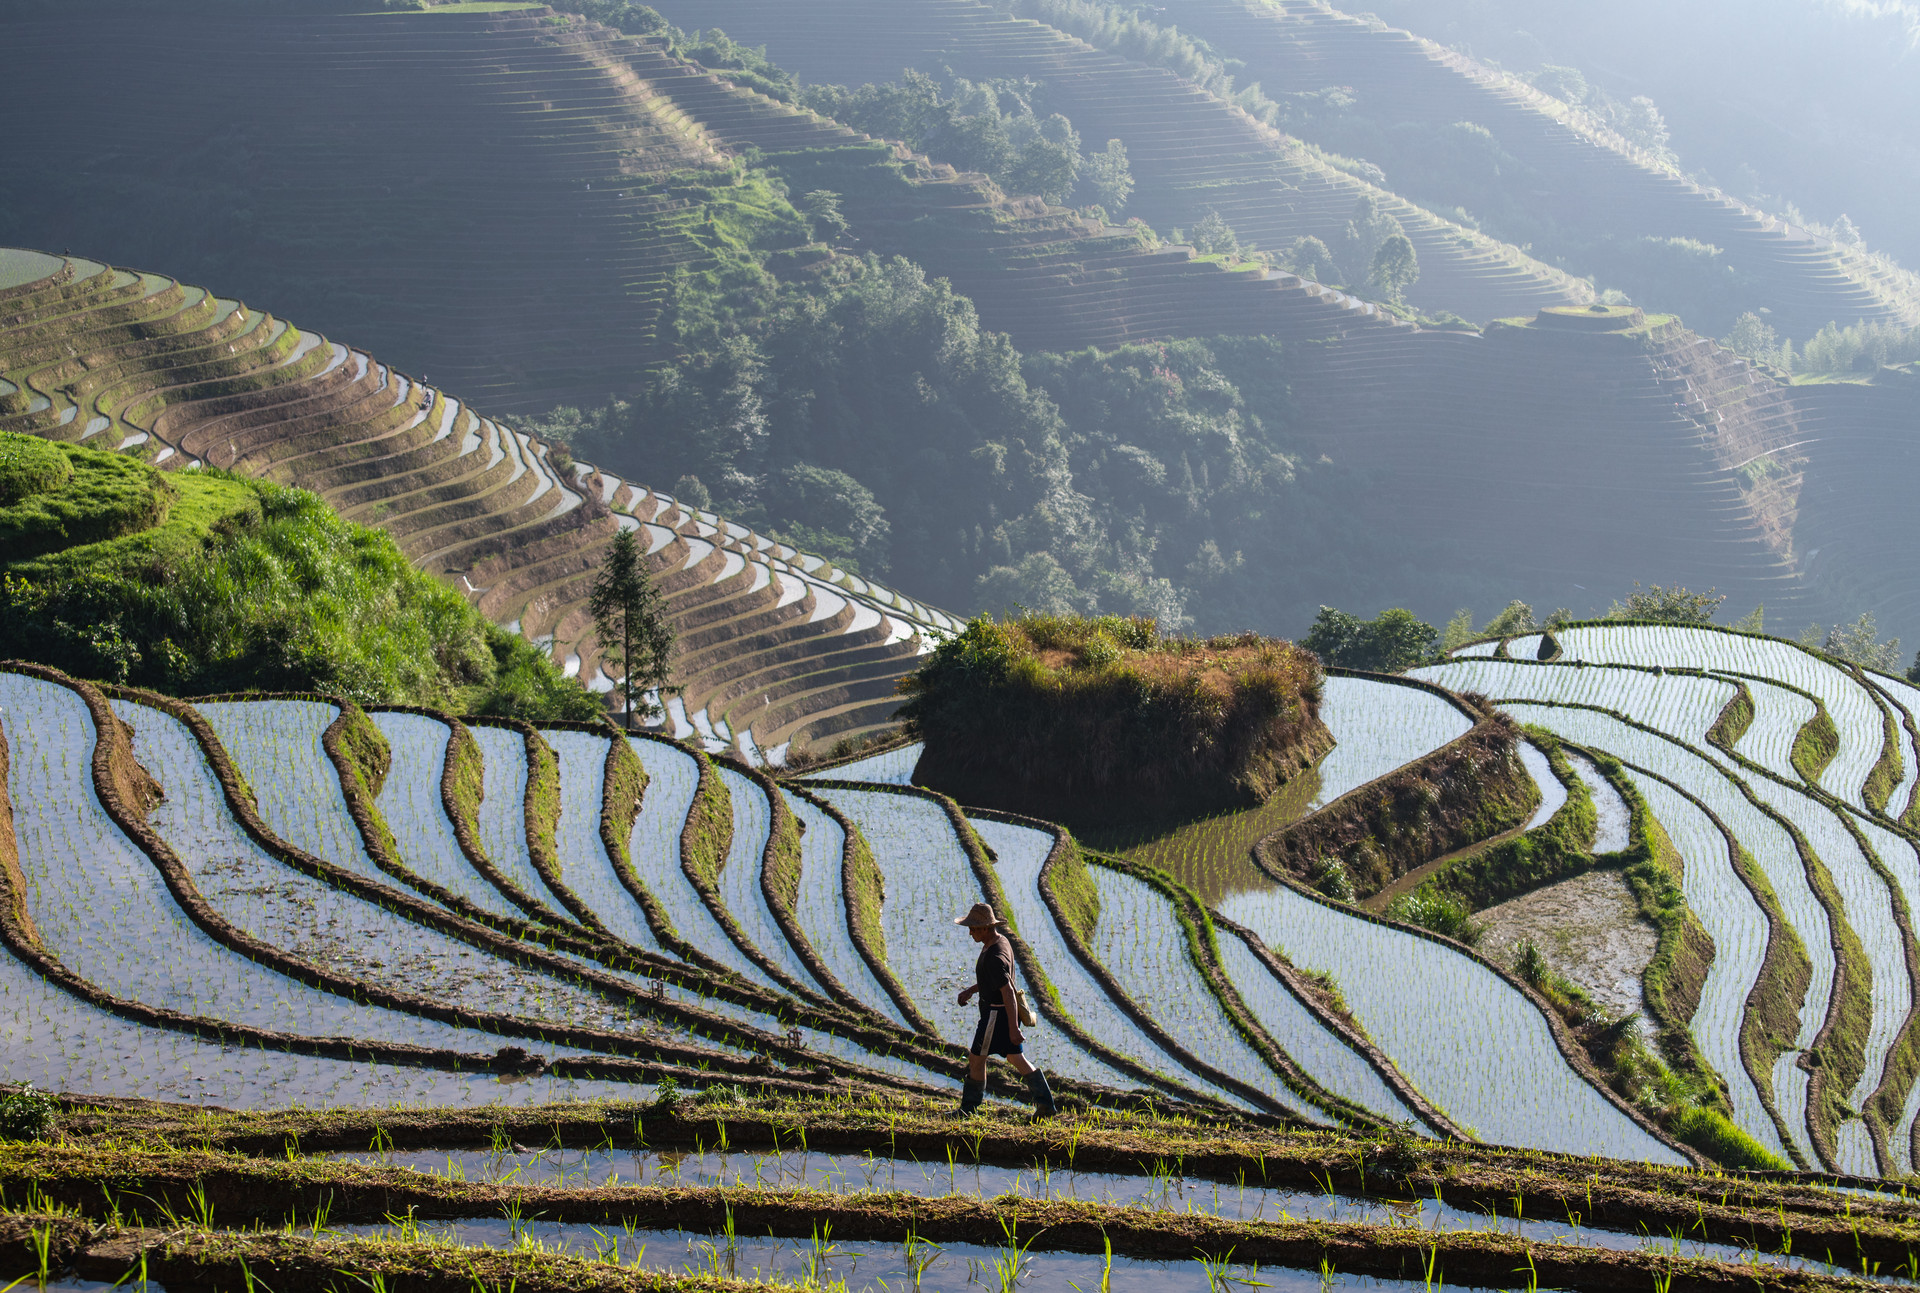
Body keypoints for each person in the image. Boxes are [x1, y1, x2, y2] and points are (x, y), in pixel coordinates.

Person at [954, 902, 1057, 1117]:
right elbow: (996, 981)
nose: (970, 932)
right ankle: (1046, 1105)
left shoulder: (994, 956)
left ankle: (968, 1109)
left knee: (976, 1058)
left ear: (986, 928)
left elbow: (1008, 991)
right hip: (1000, 1014)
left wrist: (1013, 1029)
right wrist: (972, 990)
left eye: (973, 928)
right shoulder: (1001, 942)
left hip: (995, 1015)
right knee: (1014, 1058)